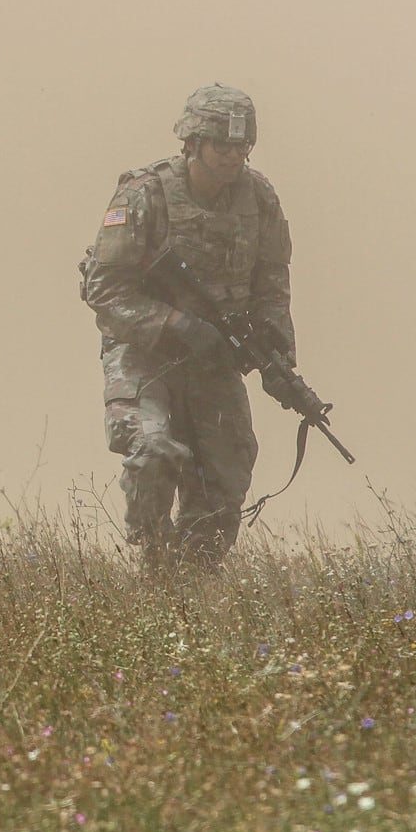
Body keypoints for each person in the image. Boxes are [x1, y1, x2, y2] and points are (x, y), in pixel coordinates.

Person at [80, 83, 294, 566]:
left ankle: (195, 579)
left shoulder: (259, 198)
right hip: (144, 352)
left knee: (227, 468)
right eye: (222, 145)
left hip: (214, 356)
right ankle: (155, 565)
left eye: (242, 147)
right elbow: (105, 290)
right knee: (154, 451)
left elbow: (273, 281)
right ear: (193, 143)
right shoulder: (144, 195)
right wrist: (175, 323)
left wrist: (275, 352)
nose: (233, 157)